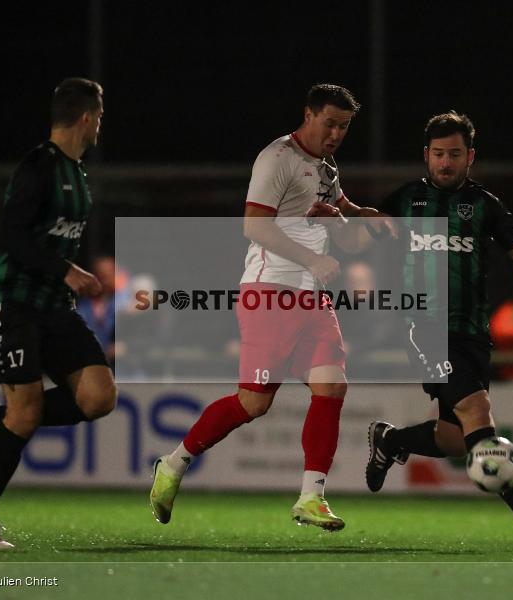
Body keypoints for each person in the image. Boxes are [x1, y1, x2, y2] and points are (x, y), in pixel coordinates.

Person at [150, 84, 373, 531]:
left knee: (332, 387)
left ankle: (311, 497)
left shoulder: (326, 168)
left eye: (344, 126)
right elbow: (255, 225)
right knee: (253, 404)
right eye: (329, 122)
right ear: (308, 114)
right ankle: (173, 464)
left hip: (312, 297)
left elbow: (344, 229)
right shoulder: (277, 158)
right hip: (270, 292)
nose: (335, 133)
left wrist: (365, 221)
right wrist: (313, 257)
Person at [364, 111, 513, 538]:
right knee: (478, 411)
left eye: (454, 154)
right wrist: (342, 216)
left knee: (455, 438)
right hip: (423, 326)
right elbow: (367, 230)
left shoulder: (484, 205)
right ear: (426, 155)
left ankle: (391, 441)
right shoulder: (405, 199)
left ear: (470, 156)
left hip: (472, 333)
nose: (445, 163)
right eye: (438, 154)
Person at [0, 78, 117, 550]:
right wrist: (65, 269)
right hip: (16, 301)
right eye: (101, 116)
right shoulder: (38, 166)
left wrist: (70, 275)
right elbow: (11, 235)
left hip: (55, 305)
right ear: (88, 117)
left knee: (98, 396)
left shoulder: (77, 171)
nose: (101, 125)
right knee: (27, 415)